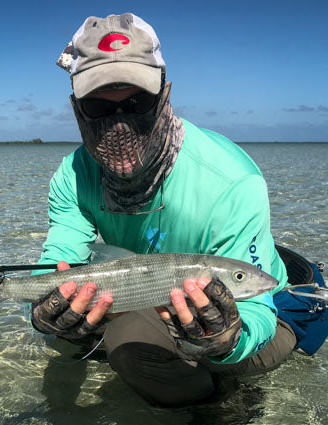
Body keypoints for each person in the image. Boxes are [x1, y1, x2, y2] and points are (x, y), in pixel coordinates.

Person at [30, 13, 298, 407]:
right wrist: (44, 311)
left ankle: (216, 406)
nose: (119, 125)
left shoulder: (233, 183)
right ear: (76, 108)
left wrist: (228, 339)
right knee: (66, 332)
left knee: (129, 342)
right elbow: (58, 262)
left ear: (165, 95)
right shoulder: (71, 176)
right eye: (98, 107)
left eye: (138, 102)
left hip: (263, 318)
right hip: (147, 294)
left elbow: (258, 308)